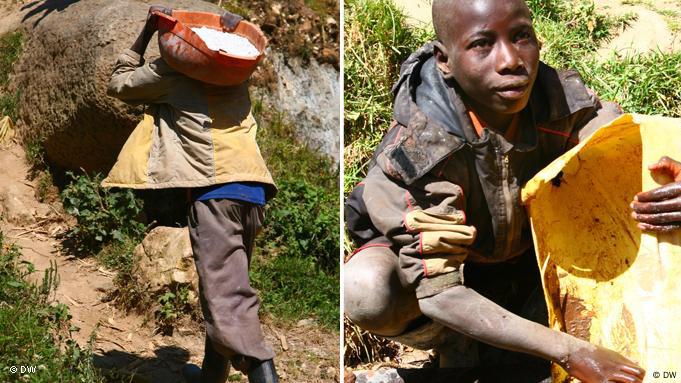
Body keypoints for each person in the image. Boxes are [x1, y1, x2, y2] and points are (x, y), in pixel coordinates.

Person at [345, 0, 681, 381]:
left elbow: (627, 146)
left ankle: (507, 351)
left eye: (521, 37)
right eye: (482, 44)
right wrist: (571, 352)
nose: (510, 60)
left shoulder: (556, 100)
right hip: (445, 285)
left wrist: (671, 174)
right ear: (444, 59)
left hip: (524, 266)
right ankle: (458, 346)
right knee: (366, 288)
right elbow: (440, 292)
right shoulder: (421, 149)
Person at [103, 5, 279, 383]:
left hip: (214, 194)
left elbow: (118, 83)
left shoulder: (172, 74)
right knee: (223, 290)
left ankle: (262, 368)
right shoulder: (235, 77)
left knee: (227, 299)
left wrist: (147, 33)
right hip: (252, 191)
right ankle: (210, 376)